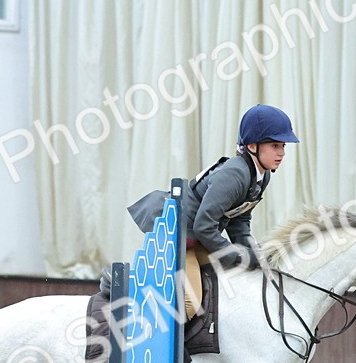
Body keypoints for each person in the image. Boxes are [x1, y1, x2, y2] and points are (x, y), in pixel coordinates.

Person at [125, 104, 299, 319]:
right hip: (178, 237)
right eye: (275, 145)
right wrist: (236, 253)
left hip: (199, 239)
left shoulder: (261, 176)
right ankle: (171, 349)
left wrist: (256, 254)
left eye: (283, 146)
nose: (281, 153)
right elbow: (204, 226)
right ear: (253, 145)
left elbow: (239, 221)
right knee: (190, 303)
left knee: (237, 281)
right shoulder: (235, 174)